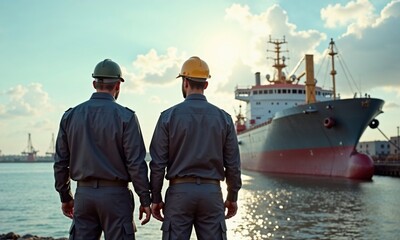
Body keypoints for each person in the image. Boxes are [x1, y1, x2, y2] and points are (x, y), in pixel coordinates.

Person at [53, 59, 151, 240]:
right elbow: (136, 164)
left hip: (84, 196)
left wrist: (65, 196)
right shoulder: (126, 117)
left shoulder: (70, 116)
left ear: (94, 84)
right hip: (116, 197)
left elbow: (60, 162)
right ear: (118, 86)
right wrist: (145, 200)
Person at [149, 56, 242, 239]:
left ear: (185, 82)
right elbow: (233, 164)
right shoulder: (224, 119)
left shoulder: (168, 117)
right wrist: (232, 196)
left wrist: (155, 198)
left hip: (179, 194)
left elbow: (158, 164)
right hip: (212, 193)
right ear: (206, 85)